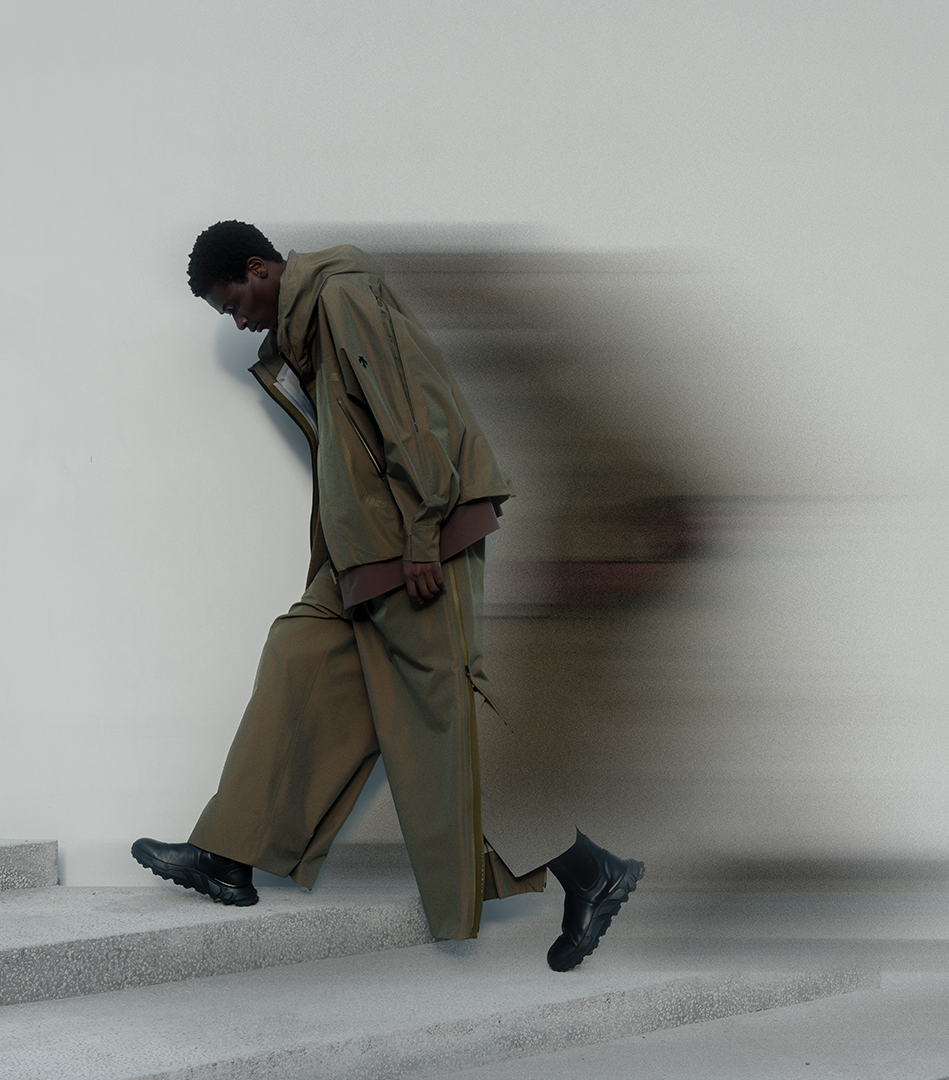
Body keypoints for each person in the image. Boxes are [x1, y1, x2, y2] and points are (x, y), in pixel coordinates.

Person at [131, 221, 643, 971]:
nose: (237, 321)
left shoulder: (340, 297)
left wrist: (425, 528)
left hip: (412, 541)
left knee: (439, 722)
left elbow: (407, 411)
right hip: (364, 553)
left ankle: (589, 869)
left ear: (259, 268)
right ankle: (228, 855)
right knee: (297, 657)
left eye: (234, 302)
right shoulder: (302, 334)